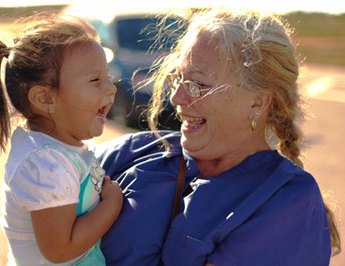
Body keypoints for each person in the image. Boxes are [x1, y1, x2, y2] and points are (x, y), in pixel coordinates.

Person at [95, 8, 341, 266]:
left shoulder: (289, 204)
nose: (176, 98)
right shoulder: (137, 151)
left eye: (198, 85)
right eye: (178, 78)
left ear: (257, 102)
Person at [0, 13, 122, 265]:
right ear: (45, 99)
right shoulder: (46, 163)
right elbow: (60, 250)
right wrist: (112, 204)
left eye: (107, 76)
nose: (111, 88)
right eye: (95, 80)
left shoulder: (59, 148)